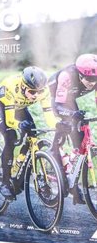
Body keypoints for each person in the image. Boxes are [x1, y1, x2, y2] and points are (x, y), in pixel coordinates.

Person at [0, 66, 54, 199]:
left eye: (40, 91)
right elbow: (9, 121)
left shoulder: (44, 90)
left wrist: (58, 125)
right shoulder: (11, 87)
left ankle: (19, 166)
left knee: (32, 134)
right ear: (23, 86)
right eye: (32, 92)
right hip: (2, 105)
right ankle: (5, 182)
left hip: (20, 107)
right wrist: (19, 124)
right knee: (11, 137)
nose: (36, 95)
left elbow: (49, 116)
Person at [48, 53, 97, 204]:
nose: (92, 83)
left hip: (71, 98)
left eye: (95, 80)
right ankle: (53, 153)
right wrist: (71, 115)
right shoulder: (67, 75)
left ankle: (74, 178)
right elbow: (58, 106)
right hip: (56, 98)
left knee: (80, 137)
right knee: (67, 125)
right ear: (80, 74)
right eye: (89, 79)